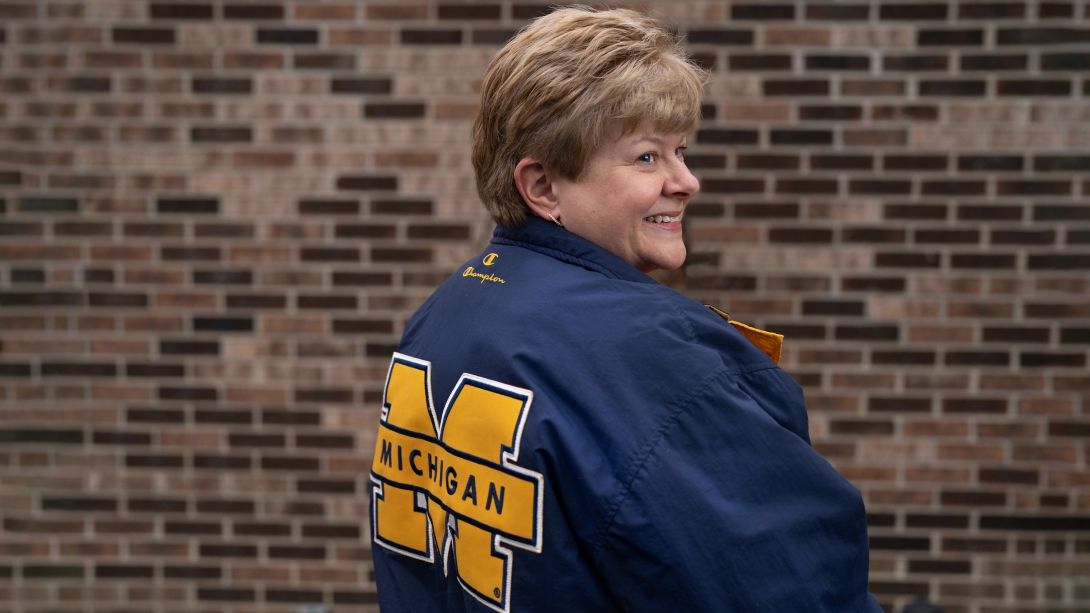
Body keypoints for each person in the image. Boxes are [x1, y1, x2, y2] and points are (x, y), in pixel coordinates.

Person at [369, 7, 883, 612]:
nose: (686, 181)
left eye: (681, 152)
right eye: (646, 157)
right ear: (543, 188)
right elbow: (793, 591)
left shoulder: (446, 311)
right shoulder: (653, 358)